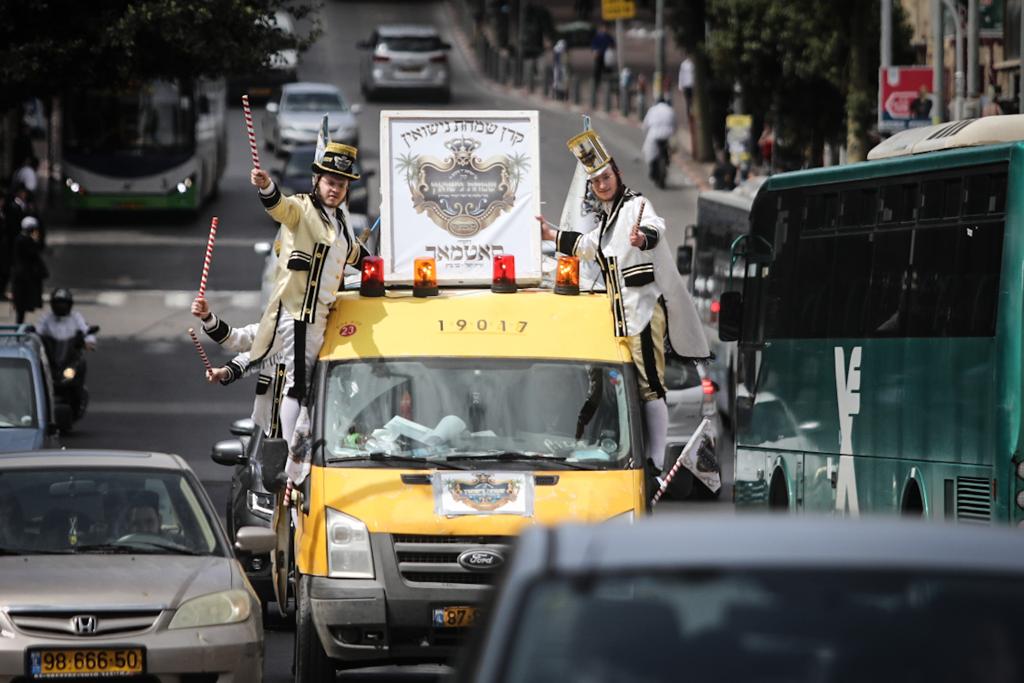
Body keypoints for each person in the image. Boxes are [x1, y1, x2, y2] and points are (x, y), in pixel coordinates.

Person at [537, 130, 709, 482]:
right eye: (596, 181)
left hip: (643, 312)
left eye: (606, 177)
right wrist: (551, 235)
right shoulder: (606, 221)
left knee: (651, 385)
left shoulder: (635, 206)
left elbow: (655, 227)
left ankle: (656, 462)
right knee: (604, 381)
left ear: (618, 175)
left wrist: (642, 238)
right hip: (617, 316)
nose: (602, 185)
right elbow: (588, 246)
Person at [244, 142, 370, 485]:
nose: (335, 189)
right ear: (317, 181)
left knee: (313, 383)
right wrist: (266, 186)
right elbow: (279, 208)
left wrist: (381, 265)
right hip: (299, 313)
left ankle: (304, 448)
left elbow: (354, 254)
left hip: (322, 315)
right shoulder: (302, 208)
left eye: (341, 184)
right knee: (298, 384)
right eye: (330, 182)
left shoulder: (341, 219)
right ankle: (291, 458)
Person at [191, 294, 289, 439]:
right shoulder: (278, 327)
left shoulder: (315, 336)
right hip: (270, 429)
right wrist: (207, 318)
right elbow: (238, 341)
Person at [11, 216, 47, 324]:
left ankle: (19, 324)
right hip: (23, 277)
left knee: (22, 307)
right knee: (21, 305)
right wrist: (36, 240)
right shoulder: (24, 240)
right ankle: (19, 326)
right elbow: (34, 252)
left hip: (23, 275)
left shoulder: (22, 239)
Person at [642, 96, 676, 188]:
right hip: (668, 135)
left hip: (654, 135)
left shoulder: (652, 110)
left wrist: (645, 131)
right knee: (669, 149)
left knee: (649, 152)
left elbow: (645, 125)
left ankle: (653, 170)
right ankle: (667, 161)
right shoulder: (670, 109)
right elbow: (675, 125)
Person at [591, 24, 615, 90]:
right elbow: (593, 46)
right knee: (597, 71)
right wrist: (595, 52)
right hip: (599, 56)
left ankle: (610, 85)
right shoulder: (597, 37)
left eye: (606, 28)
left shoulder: (608, 37)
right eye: (604, 28)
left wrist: (611, 47)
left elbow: (613, 44)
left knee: (608, 71)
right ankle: (596, 85)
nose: (605, 30)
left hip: (607, 57)